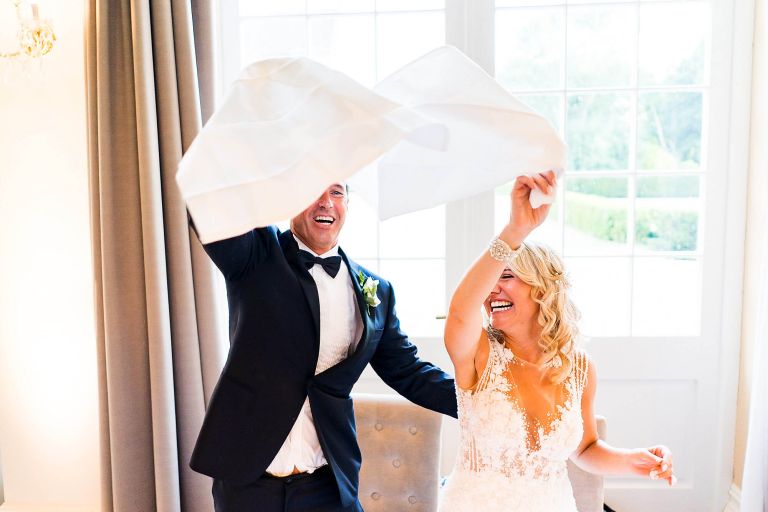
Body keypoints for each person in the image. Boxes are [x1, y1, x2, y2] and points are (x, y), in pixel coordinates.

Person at [188, 182, 457, 512]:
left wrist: (485, 405)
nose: (325, 203)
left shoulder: (377, 291)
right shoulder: (257, 253)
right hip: (248, 481)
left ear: (348, 203)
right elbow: (208, 210)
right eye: (312, 189)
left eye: (336, 192)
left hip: (326, 485)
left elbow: (408, 371)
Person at [439, 170, 675, 511]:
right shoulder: (478, 354)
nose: (492, 291)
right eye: (492, 280)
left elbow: (585, 448)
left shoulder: (578, 367)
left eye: (507, 277)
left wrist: (632, 460)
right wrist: (514, 231)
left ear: (542, 288)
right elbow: (460, 311)